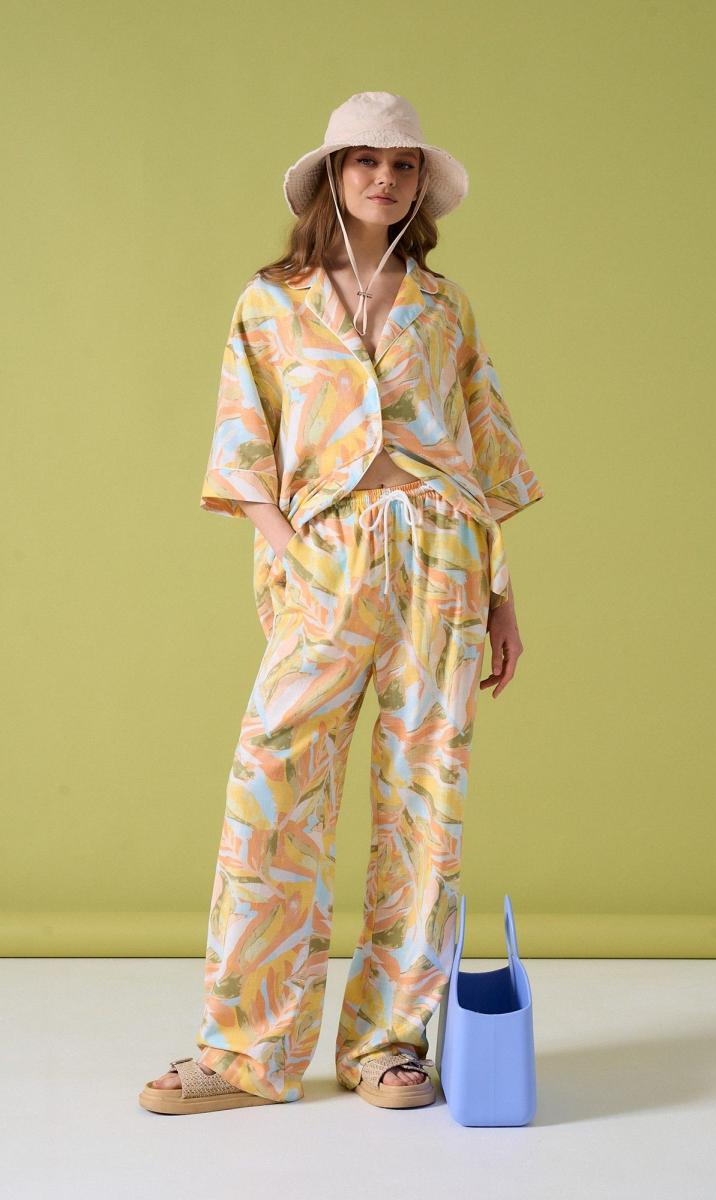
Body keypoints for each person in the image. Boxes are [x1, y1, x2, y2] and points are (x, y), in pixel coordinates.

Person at [138, 91, 544, 1116]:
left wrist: (501, 595)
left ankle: (387, 1044)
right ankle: (247, 1051)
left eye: (402, 165)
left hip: (443, 559)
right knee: (271, 790)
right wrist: (296, 556)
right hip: (327, 556)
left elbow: (480, 451)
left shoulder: (443, 306)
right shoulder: (270, 302)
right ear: (331, 175)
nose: (384, 178)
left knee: (425, 799)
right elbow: (242, 444)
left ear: (419, 185)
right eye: (365, 160)